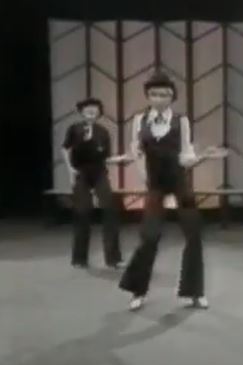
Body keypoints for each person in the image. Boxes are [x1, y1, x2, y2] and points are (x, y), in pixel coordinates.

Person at [119, 72, 227, 311]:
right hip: (155, 185)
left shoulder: (181, 121)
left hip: (178, 182)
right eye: (154, 94)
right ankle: (138, 290)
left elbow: (185, 157)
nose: (159, 99)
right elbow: (137, 152)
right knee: (149, 237)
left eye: (164, 94)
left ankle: (195, 292)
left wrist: (203, 156)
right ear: (148, 96)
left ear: (172, 97)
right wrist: (144, 177)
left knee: (193, 235)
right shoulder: (139, 120)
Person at [62, 98, 129, 270]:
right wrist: (70, 170)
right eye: (88, 110)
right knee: (82, 212)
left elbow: (106, 158)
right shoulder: (74, 129)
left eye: (95, 110)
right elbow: (65, 148)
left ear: (99, 113)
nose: (91, 113)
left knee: (110, 209)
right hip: (80, 172)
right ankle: (79, 259)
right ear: (81, 112)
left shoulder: (103, 132)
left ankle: (113, 259)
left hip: (99, 172)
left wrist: (121, 159)